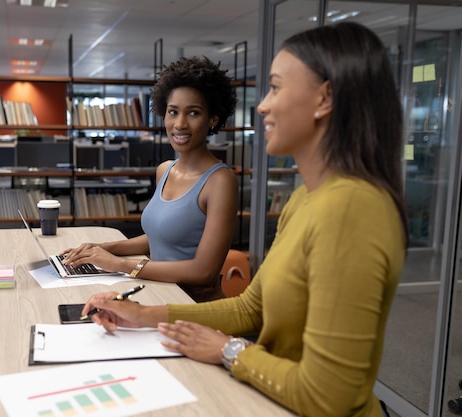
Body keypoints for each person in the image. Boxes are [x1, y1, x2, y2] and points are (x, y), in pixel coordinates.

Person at [80, 21, 408, 417]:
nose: (264, 105)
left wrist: (228, 350)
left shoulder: (352, 210)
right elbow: (249, 309)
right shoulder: (306, 198)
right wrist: (142, 316)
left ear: (325, 97)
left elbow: (329, 396)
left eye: (275, 87)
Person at [62, 56, 239, 302]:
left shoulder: (220, 181)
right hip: (159, 293)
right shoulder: (164, 170)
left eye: (194, 113)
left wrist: (120, 265)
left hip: (194, 305)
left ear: (213, 119)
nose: (180, 124)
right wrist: (102, 248)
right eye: (173, 112)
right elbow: (161, 236)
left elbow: (203, 271)